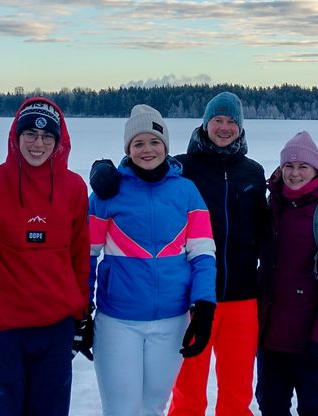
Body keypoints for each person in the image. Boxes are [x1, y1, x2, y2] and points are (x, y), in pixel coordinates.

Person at [90, 91, 268, 416]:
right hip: (188, 300)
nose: (224, 127)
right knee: (186, 395)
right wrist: (102, 167)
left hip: (239, 296)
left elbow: (264, 232)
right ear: (205, 124)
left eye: (231, 121)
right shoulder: (184, 168)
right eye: (218, 120)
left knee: (236, 393)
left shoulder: (253, 173)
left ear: (241, 128)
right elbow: (140, 168)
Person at [0, 97, 90, 416]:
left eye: (47, 137)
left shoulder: (74, 189)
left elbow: (79, 259)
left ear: (58, 141)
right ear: (16, 136)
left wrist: (81, 316)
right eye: (30, 135)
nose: (38, 144)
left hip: (53, 330)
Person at [88, 104, 218, 416]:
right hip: (118, 321)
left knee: (152, 408)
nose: (148, 150)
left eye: (155, 142)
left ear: (166, 146)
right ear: (128, 149)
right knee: (121, 409)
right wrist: (80, 310)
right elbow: (86, 256)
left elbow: (202, 254)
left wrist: (204, 307)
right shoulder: (108, 192)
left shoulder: (186, 191)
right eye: (138, 143)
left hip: (172, 322)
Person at [257, 131, 318, 416]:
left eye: (303, 167)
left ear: (316, 169)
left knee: (313, 407)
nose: (294, 173)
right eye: (289, 166)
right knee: (270, 405)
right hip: (270, 336)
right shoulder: (275, 203)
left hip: (309, 339)